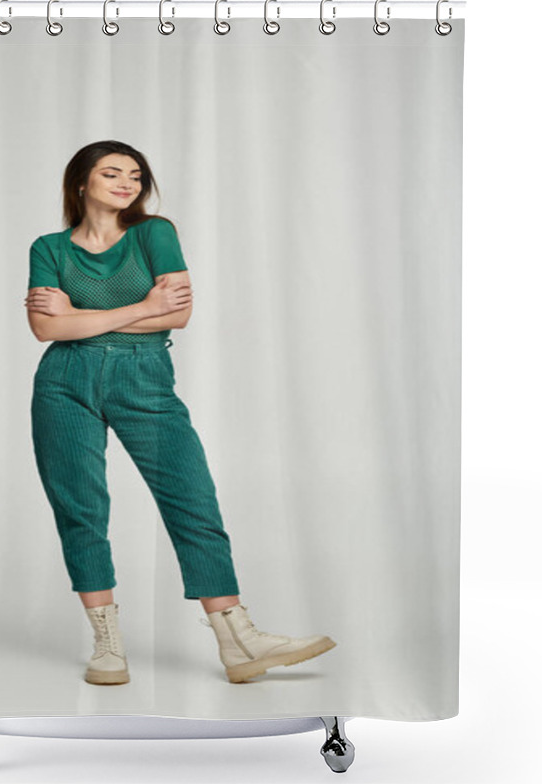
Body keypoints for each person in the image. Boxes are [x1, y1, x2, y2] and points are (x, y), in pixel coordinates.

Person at [25, 139, 335, 685]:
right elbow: (47, 329)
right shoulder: (48, 247)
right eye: (112, 173)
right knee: (80, 508)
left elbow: (178, 316)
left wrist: (84, 313)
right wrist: (142, 307)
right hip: (62, 382)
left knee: (191, 498)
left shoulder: (153, 233)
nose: (127, 183)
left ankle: (238, 640)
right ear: (81, 183)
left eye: (136, 175)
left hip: (144, 376)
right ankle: (107, 645)